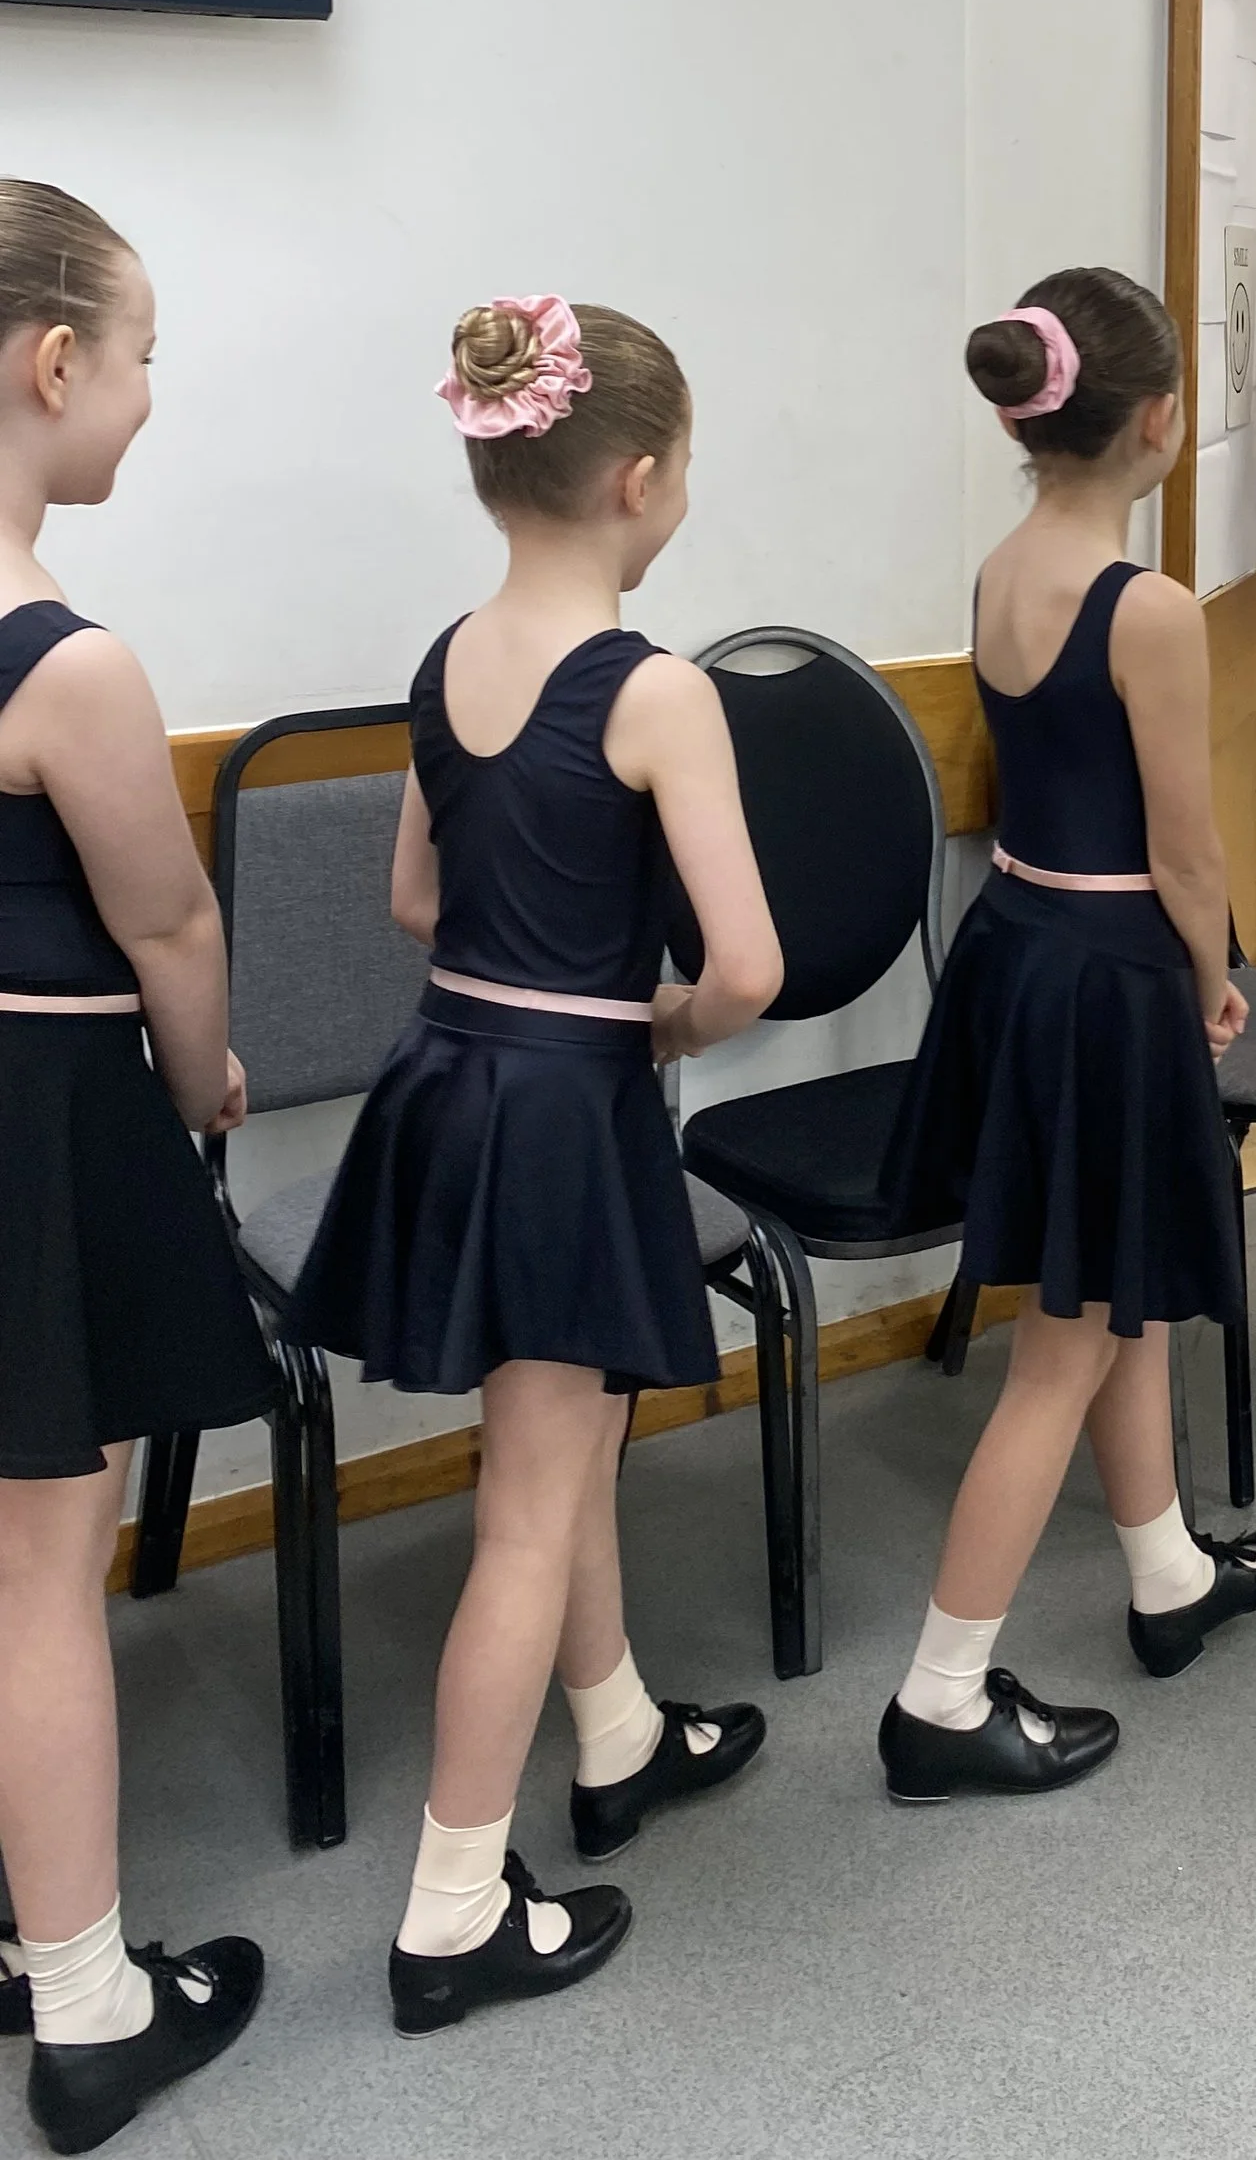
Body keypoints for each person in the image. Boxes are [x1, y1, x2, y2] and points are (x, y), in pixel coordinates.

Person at [292, 297, 780, 2034]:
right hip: (570, 1100)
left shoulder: (446, 658)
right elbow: (745, 968)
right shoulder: (656, 690)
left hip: (448, 1078)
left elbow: (417, 902)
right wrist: (657, 1028)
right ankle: (451, 1907)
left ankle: (622, 1729)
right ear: (640, 477)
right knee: (526, 1503)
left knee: (555, 1442)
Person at [876, 268, 1256, 1801]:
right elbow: (1188, 851)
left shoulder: (1002, 568)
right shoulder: (1150, 608)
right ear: (1163, 423)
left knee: (1107, 1281)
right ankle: (939, 1693)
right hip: (1118, 961)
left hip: (1022, 945)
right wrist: (1217, 970)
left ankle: (1166, 1571)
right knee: (1060, 1350)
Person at [0, 179, 272, 2157]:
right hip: (44, 1132)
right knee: (41, 1567)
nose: (152, 393)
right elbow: (172, 930)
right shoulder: (66, 666)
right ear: (54, 360)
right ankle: (87, 2000)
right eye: (147, 352)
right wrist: (211, 1084)